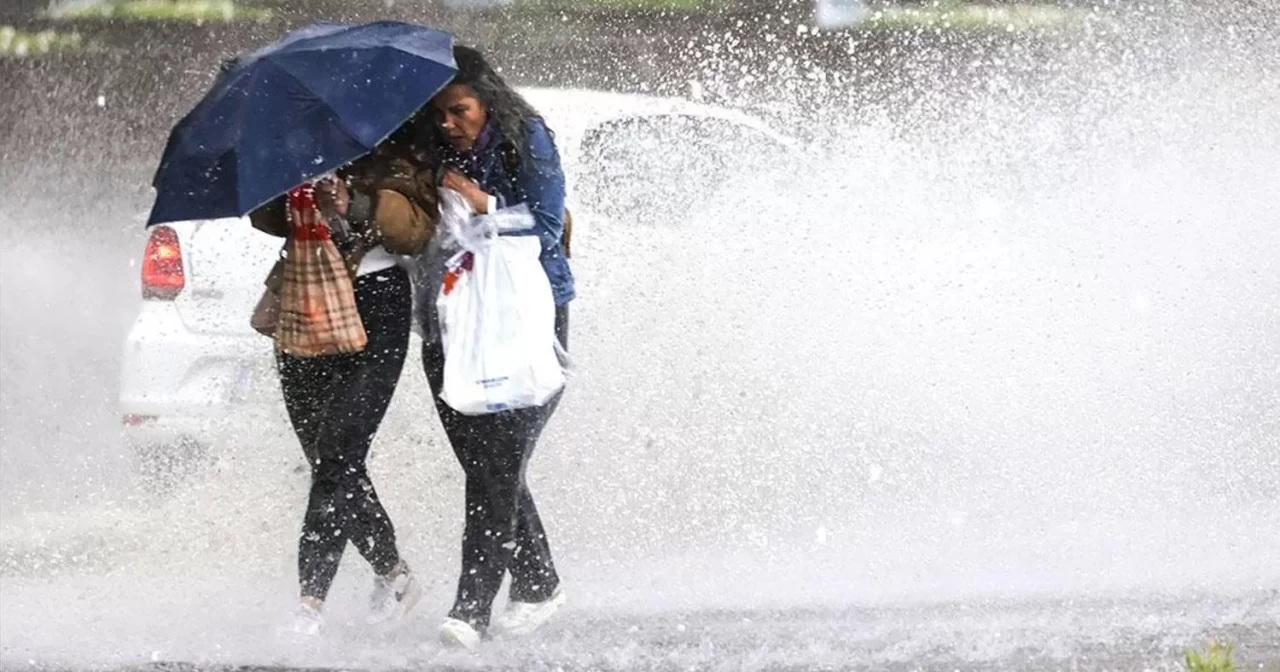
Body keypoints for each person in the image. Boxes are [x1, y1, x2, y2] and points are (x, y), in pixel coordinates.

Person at [249, 125, 438, 635]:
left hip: (378, 305)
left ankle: (310, 604)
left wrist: (352, 202)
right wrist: (286, 182)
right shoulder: (296, 143)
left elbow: (416, 232)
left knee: (339, 454)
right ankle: (394, 572)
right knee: (323, 460)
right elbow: (261, 217)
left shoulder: (404, 144)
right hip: (304, 296)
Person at [417, 45, 575, 649]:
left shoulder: (525, 136)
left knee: (498, 464)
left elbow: (547, 218)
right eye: (439, 114)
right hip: (452, 317)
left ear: (487, 101)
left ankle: (470, 608)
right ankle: (538, 583)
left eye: (459, 110)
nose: (449, 124)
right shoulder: (429, 152)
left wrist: (481, 204)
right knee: (484, 464)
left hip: (526, 313)